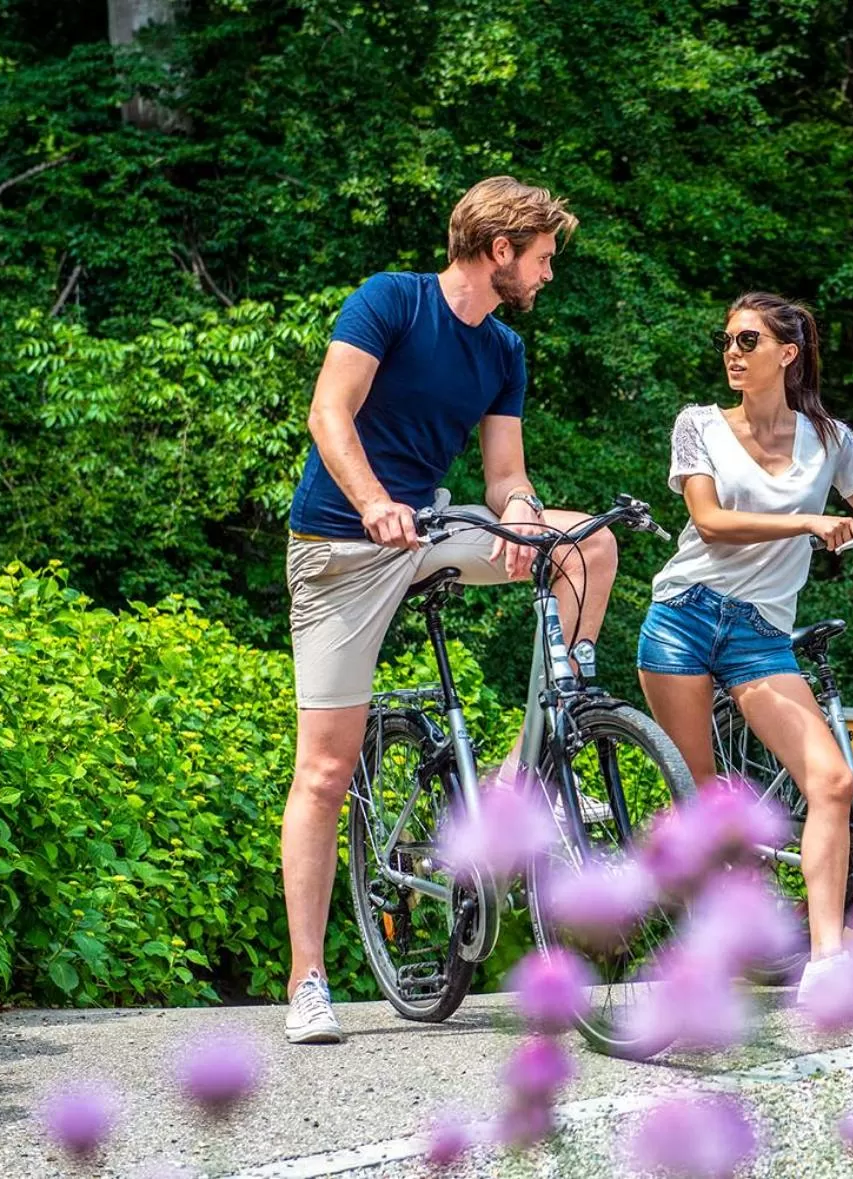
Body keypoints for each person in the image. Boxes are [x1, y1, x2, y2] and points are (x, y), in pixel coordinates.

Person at [280, 177, 617, 1044]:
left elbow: (505, 476)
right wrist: (371, 502)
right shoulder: (391, 301)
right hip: (341, 548)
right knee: (325, 769)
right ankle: (308, 979)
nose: (547, 275)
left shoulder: (503, 350)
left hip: (430, 531)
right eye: (542, 258)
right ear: (500, 250)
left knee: (588, 546)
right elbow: (329, 411)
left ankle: (528, 769)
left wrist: (522, 514)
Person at [636, 291, 853, 999]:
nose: (732, 352)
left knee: (832, 781)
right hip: (683, 619)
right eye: (727, 340)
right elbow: (709, 521)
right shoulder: (698, 425)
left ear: (788, 353)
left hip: (759, 636)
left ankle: (826, 959)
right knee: (707, 806)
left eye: (748, 341)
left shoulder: (829, 439)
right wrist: (809, 523)